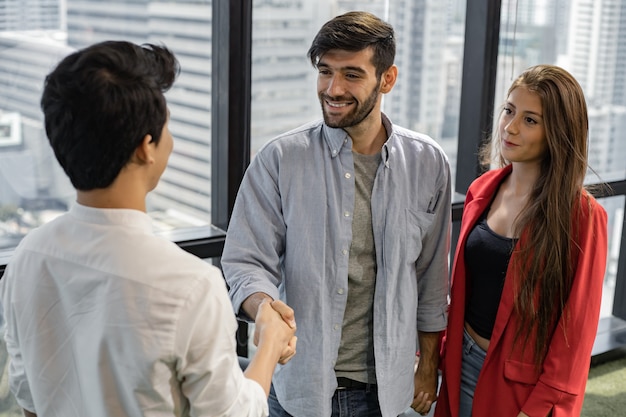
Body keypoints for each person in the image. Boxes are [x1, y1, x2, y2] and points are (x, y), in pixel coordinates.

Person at [0, 40, 297, 417]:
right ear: (146, 148)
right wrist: (270, 342)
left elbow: (31, 403)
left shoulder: (28, 257)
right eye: (166, 126)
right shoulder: (189, 285)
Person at [221, 11, 451, 417]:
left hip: (387, 389)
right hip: (301, 388)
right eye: (325, 72)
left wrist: (429, 363)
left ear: (388, 79)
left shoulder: (428, 163)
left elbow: (431, 278)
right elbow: (245, 260)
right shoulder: (280, 160)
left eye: (351, 74)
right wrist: (265, 309)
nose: (332, 88)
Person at [434, 65, 608, 417]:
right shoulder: (481, 190)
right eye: (509, 111)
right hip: (460, 362)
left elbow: (577, 330)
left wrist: (542, 407)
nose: (510, 127)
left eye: (531, 120)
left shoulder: (582, 216)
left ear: (557, 132)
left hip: (520, 389)